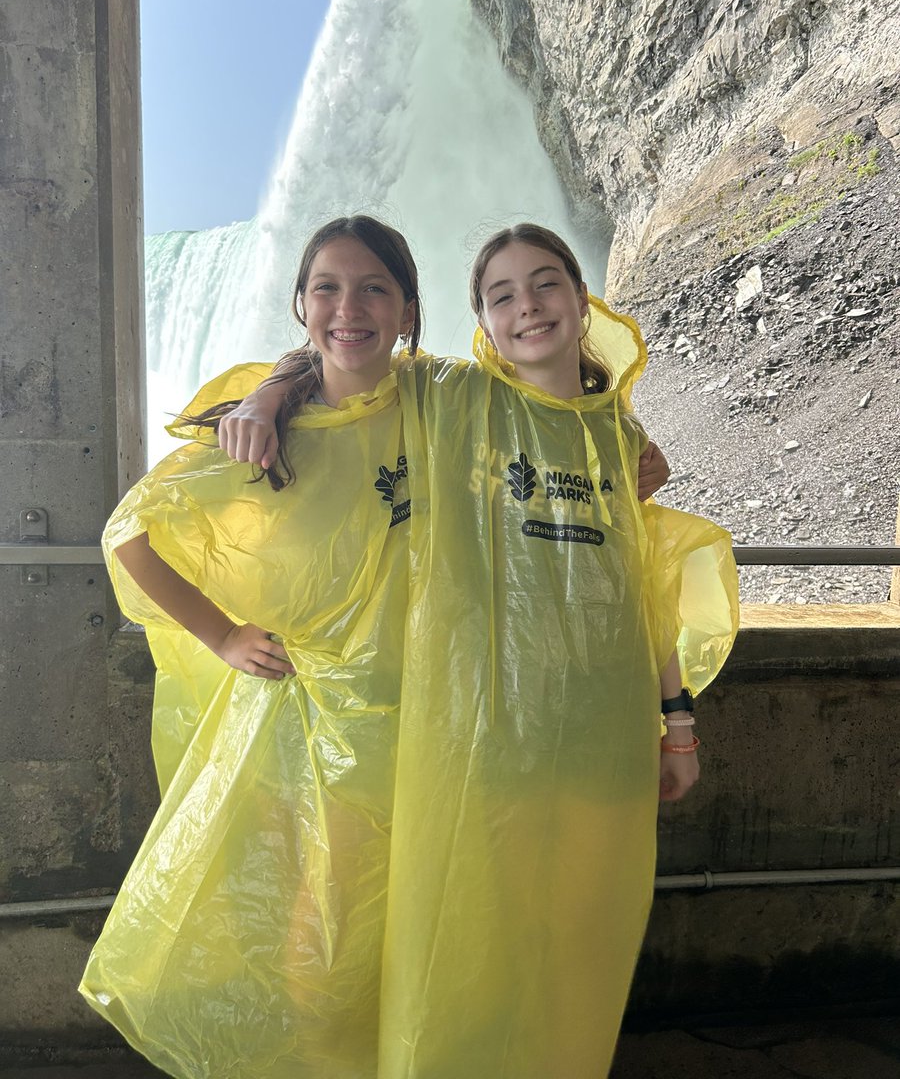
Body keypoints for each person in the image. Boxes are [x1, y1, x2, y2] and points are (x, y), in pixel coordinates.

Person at [218, 222, 739, 1075]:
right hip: (485, 743)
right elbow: (347, 339)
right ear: (482, 325)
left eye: (544, 285)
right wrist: (265, 399)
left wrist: (675, 722)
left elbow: (642, 590)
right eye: (501, 296)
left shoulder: (620, 439)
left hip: (601, 739)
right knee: (465, 948)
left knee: (574, 946)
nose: (526, 306)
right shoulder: (454, 401)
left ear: (582, 300)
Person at [80, 217, 425, 1076]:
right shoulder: (264, 434)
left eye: (374, 287)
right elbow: (129, 534)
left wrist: (622, 445)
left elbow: (539, 398)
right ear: (300, 305)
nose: (349, 307)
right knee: (320, 935)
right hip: (308, 722)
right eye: (327, 289)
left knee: (405, 926)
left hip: (421, 711)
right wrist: (222, 634)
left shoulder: (439, 401)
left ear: (409, 308)